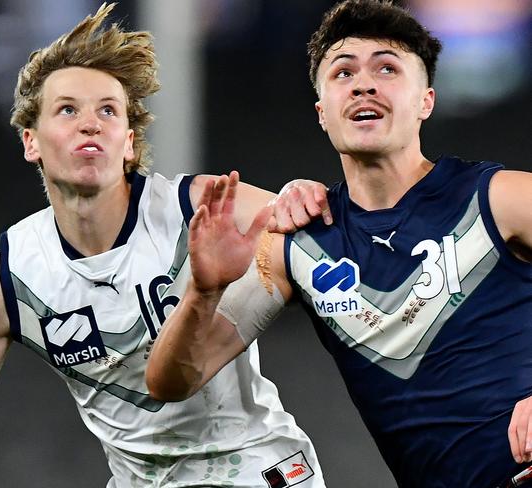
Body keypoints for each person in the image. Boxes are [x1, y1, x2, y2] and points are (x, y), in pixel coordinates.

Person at [0, 4, 332, 487]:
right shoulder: (11, 279)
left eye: (108, 110)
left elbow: (327, 232)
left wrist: (301, 195)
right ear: (30, 141)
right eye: (67, 109)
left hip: (256, 469)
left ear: (128, 141)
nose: (90, 123)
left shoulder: (202, 205)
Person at [145, 1, 532, 487]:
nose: (364, 83)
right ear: (322, 112)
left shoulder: (500, 199)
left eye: (387, 68)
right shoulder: (298, 247)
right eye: (343, 72)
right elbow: (170, 381)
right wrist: (204, 292)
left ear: (426, 101)